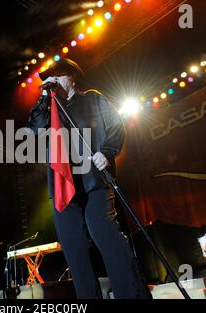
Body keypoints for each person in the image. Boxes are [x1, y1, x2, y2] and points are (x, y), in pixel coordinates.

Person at [26, 58, 151, 299]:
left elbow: (116, 126)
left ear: (72, 77)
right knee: (74, 251)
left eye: (58, 75)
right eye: (49, 78)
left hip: (94, 182)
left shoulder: (93, 98)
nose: (53, 81)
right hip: (64, 189)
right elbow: (33, 129)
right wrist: (44, 98)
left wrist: (107, 152)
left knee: (107, 238)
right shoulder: (51, 109)